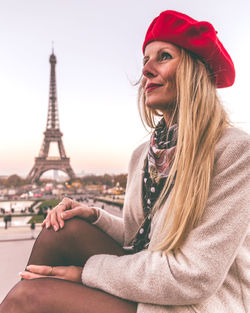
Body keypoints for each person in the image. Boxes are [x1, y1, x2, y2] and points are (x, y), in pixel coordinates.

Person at [0, 10, 249, 313]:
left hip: (198, 303)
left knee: (27, 299)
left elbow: (194, 277)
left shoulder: (234, 151)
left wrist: (86, 274)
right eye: (145, 60)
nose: (147, 70)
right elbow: (143, 236)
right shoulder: (144, 155)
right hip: (159, 285)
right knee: (64, 228)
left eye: (163, 57)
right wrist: (94, 215)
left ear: (194, 71)